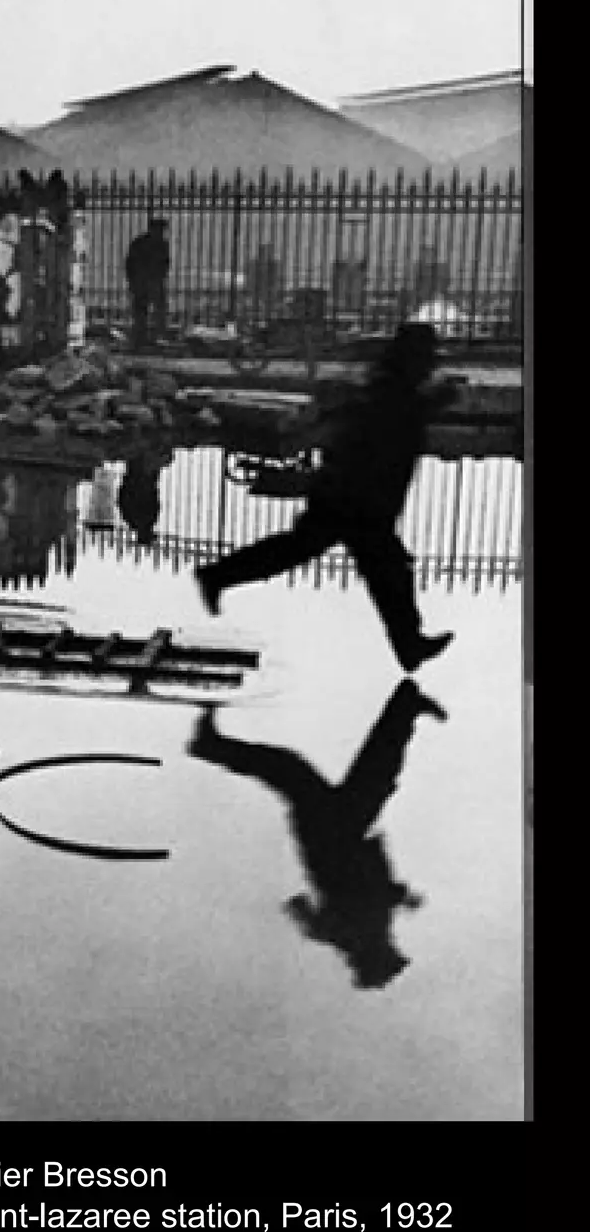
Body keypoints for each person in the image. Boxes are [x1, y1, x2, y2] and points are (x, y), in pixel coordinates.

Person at [194, 322, 455, 674]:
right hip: (355, 500)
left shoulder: (390, 386)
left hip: (352, 497)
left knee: (326, 556)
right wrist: (435, 401)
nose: (430, 366)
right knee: (383, 569)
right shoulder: (393, 392)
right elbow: (394, 425)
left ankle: (218, 575)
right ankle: (409, 644)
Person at [187, 680, 442, 989]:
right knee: (374, 772)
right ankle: (406, 707)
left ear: (378, 955)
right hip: (343, 833)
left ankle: (210, 745)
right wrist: (399, 896)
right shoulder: (365, 931)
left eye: (392, 954)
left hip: (330, 838)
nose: (395, 946)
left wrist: (322, 921)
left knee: (300, 771)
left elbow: (330, 906)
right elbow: (362, 895)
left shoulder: (355, 934)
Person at [124, 217, 170, 348]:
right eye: (160, 230)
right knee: (142, 310)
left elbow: (165, 264)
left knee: (154, 310)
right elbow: (131, 263)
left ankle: (152, 336)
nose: (161, 233)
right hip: (144, 281)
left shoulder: (159, 244)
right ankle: (142, 337)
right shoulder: (143, 244)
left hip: (150, 281)